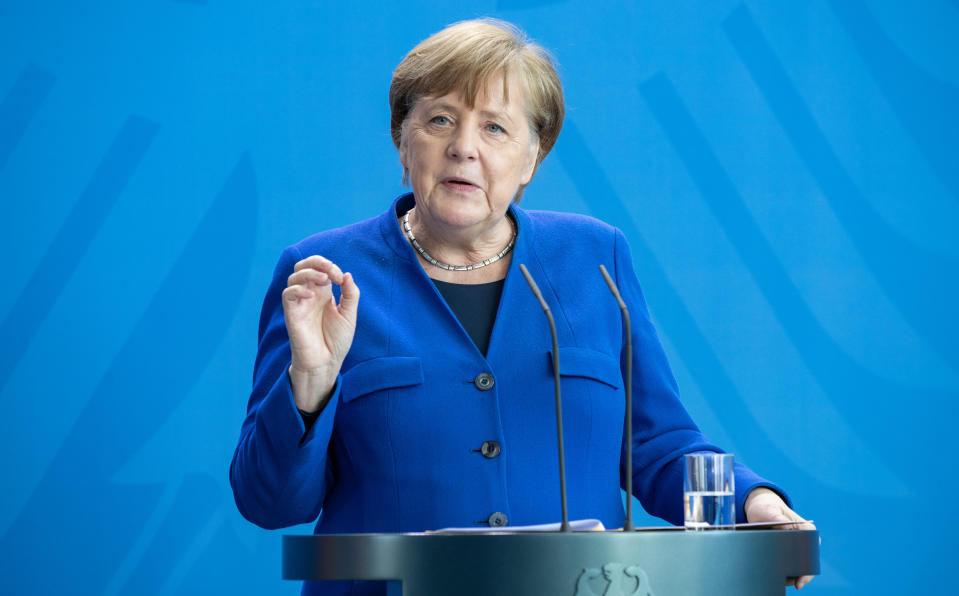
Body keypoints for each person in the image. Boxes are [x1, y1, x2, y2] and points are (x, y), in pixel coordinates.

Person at [230, 18, 815, 595]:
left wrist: (753, 500)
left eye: (495, 129)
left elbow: (657, 444)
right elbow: (270, 502)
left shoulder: (595, 258)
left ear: (532, 158)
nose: (464, 148)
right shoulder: (324, 275)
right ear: (402, 140)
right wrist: (309, 383)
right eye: (440, 120)